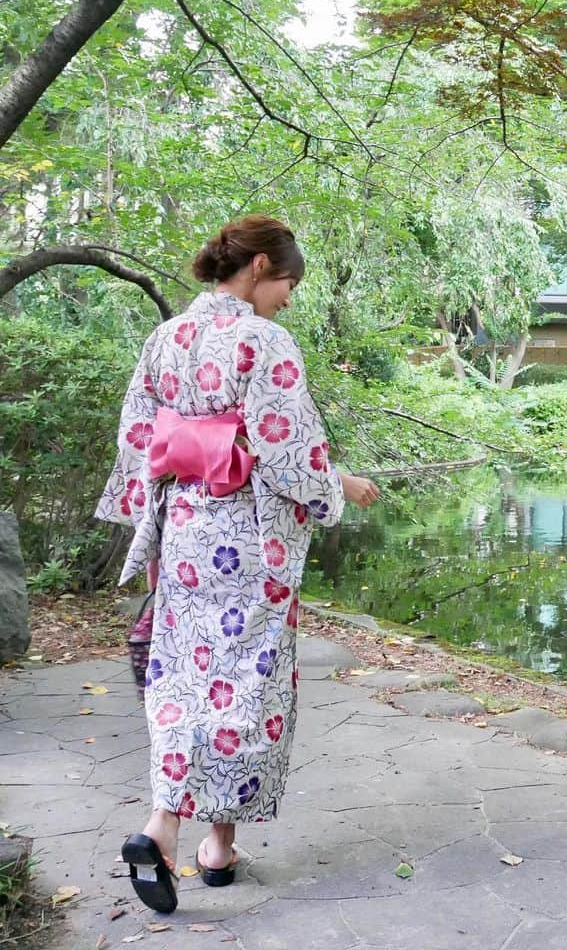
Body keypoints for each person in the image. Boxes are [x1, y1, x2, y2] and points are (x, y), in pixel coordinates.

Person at [96, 214, 379, 913]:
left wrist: (150, 529)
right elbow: (287, 453)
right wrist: (331, 491)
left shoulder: (167, 339)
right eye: (287, 281)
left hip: (187, 533)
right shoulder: (264, 340)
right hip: (250, 542)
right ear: (257, 267)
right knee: (245, 689)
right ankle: (208, 842)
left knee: (186, 676)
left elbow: (142, 441)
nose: (288, 296)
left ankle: (171, 826)